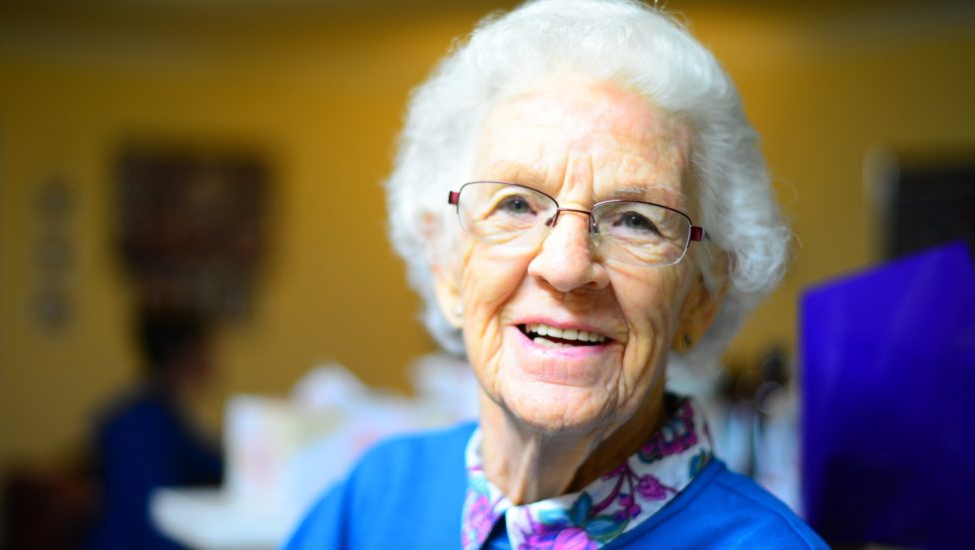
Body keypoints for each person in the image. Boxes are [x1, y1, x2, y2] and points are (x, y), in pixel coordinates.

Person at [286, 0, 827, 547]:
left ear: (702, 295)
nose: (566, 267)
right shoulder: (379, 497)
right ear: (446, 263)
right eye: (516, 205)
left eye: (635, 220)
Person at [87, 309, 222, 550]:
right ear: (187, 353)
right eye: (206, 348)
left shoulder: (165, 415)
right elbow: (145, 518)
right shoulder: (142, 424)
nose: (215, 360)